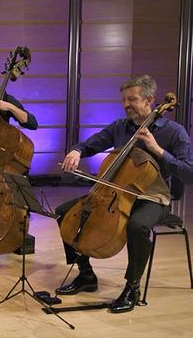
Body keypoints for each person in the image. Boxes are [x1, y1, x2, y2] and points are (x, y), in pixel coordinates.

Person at [55, 75, 193, 313]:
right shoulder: (121, 126)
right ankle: (86, 275)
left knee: (137, 226)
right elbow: (91, 144)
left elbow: (189, 173)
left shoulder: (174, 132)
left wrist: (157, 149)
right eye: (124, 100)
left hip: (153, 198)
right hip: (113, 193)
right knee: (64, 213)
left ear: (149, 100)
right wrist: (77, 151)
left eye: (132, 99)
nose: (126, 104)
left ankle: (132, 286)